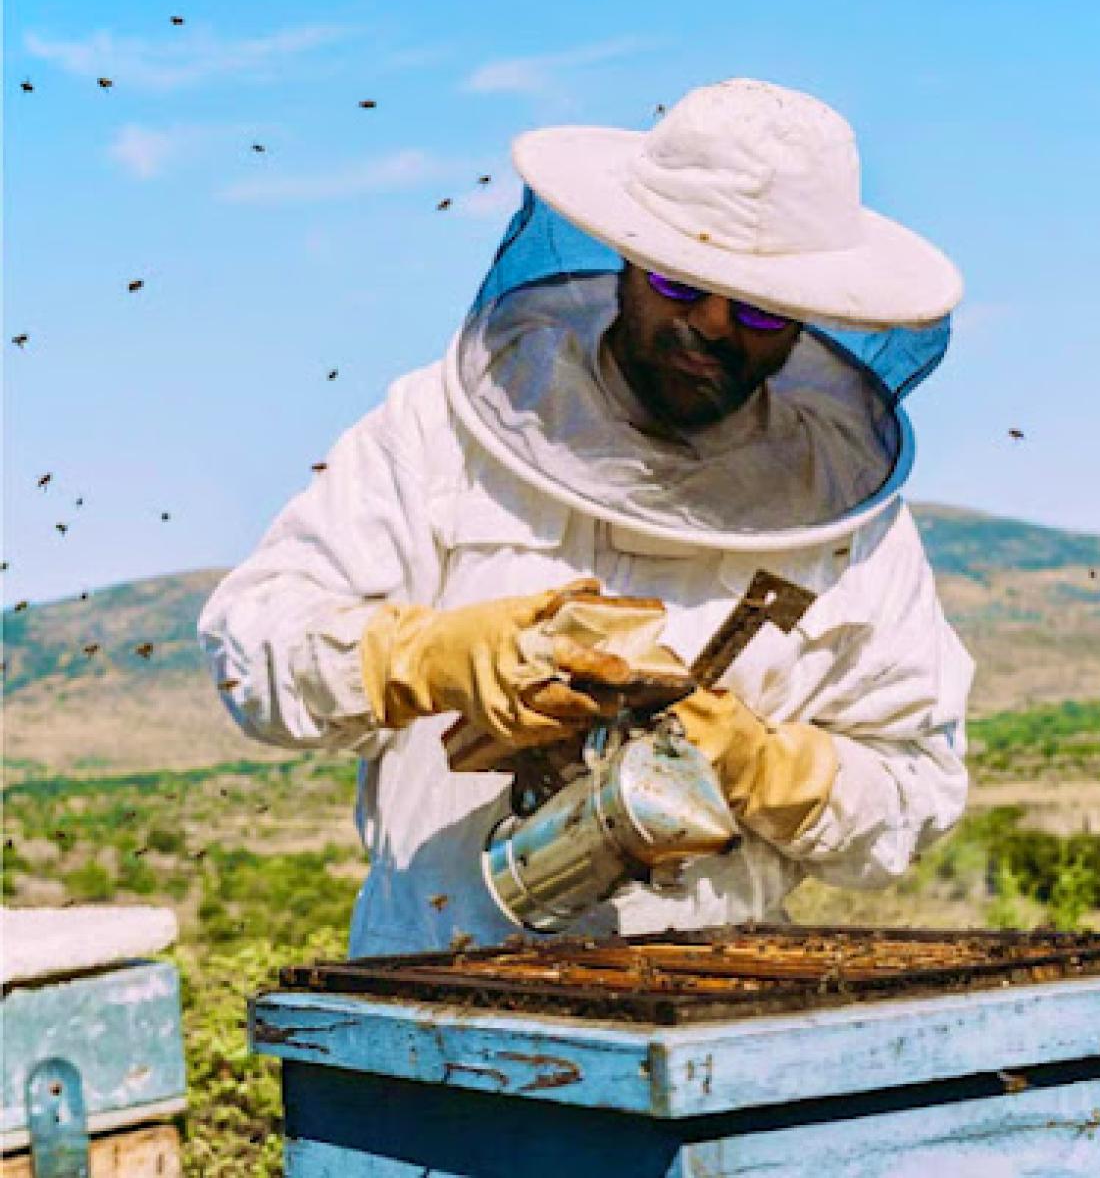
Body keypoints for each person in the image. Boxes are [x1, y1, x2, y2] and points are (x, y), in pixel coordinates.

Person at [198, 78, 974, 957]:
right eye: (683, 286)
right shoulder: (440, 430)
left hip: (716, 995)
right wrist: (422, 657)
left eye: (757, 311)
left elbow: (920, 787)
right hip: (434, 977)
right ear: (630, 259)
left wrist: (767, 767)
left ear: (806, 319)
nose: (711, 327)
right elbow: (251, 641)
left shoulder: (846, 511)